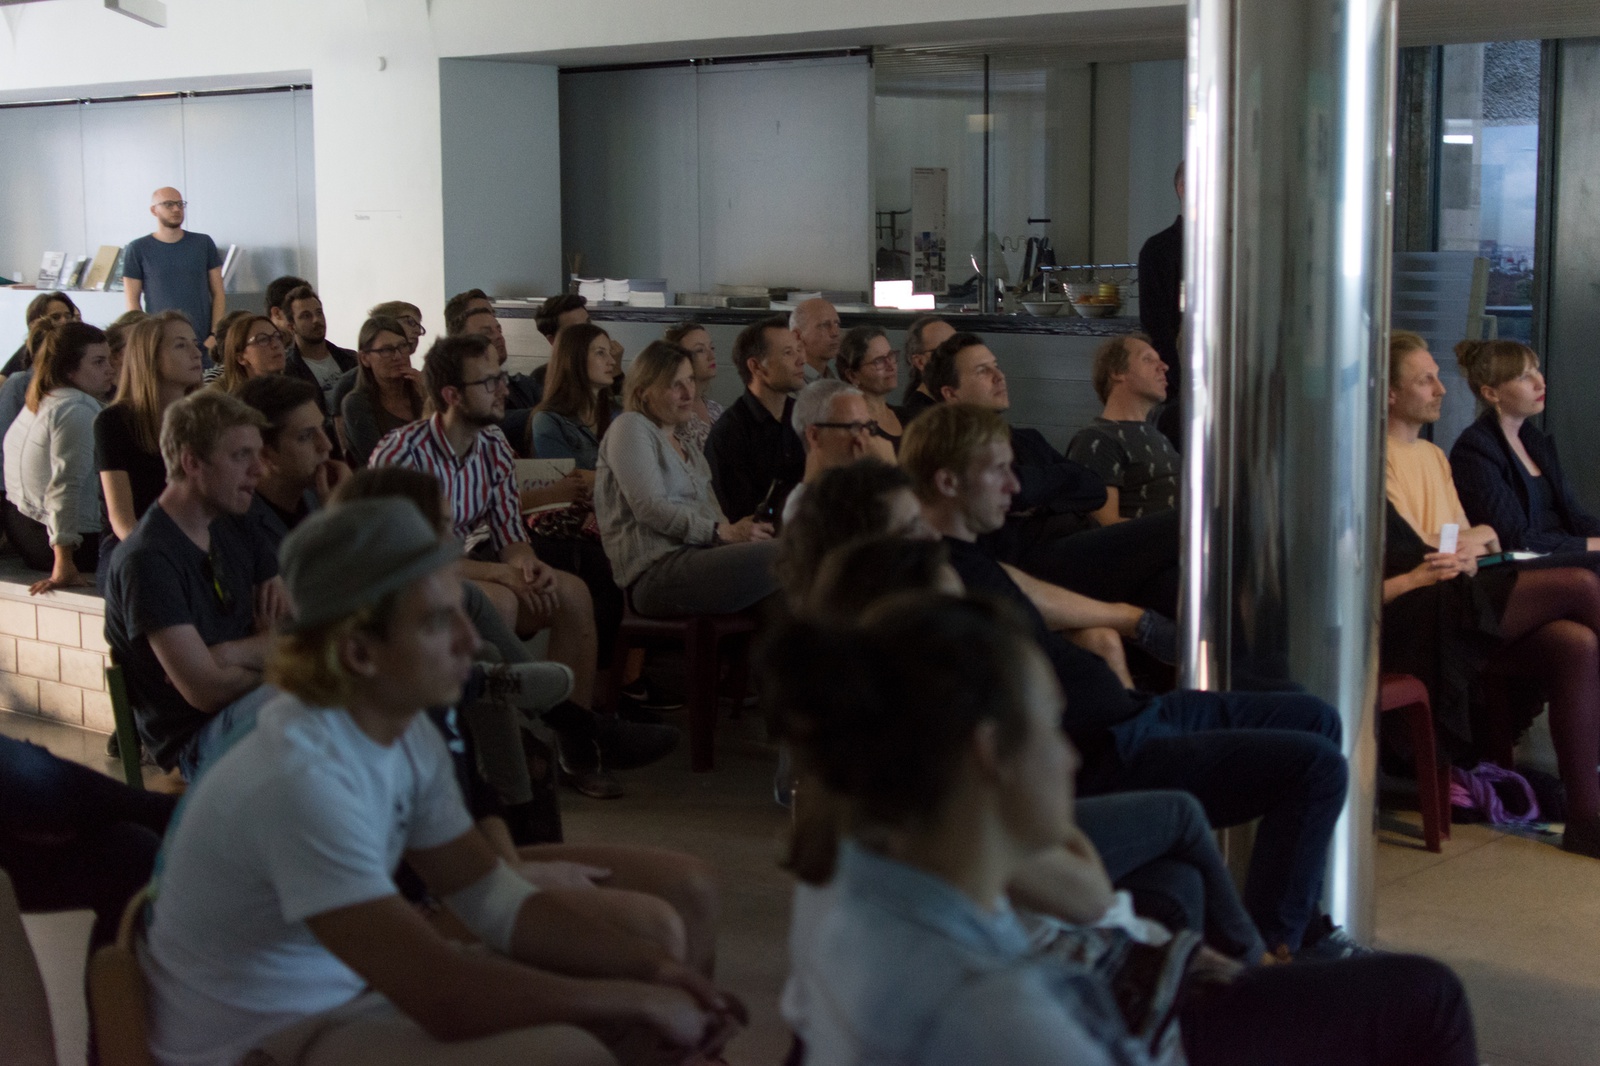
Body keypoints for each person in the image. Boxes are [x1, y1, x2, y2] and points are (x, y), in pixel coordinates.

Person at [141, 497, 745, 1066]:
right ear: (359, 652)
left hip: (340, 996)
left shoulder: (403, 731)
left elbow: (490, 898)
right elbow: (440, 994)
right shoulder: (297, 780)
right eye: (436, 621)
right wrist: (630, 998)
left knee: (616, 1012)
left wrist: (658, 972)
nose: (471, 640)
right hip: (254, 1043)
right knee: (575, 1045)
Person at [768, 593, 1478, 1066]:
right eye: (1051, 728)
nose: (1070, 755)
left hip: (1133, 992)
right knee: (1428, 996)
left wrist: (1165, 964)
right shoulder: (993, 1014)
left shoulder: (860, 866)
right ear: (990, 753)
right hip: (1148, 1027)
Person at [902, 403, 1353, 959]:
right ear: (947, 482)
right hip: (1110, 752)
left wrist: (1123, 623)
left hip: (1136, 713)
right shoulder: (933, 576)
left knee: (1316, 717)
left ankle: (1294, 925)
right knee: (1317, 767)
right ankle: (1277, 949)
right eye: (998, 471)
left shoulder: (974, 558)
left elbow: (1038, 594)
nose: (1015, 487)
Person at [1383, 331, 1600, 856]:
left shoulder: (1433, 455)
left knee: (1576, 643)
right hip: (1420, 605)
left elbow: (1476, 533)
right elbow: (1411, 549)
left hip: (1459, 586)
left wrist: (1464, 546)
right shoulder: (1376, 458)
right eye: (1426, 380)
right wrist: (1461, 548)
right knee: (1580, 582)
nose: (1441, 389)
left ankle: (1586, 819)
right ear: (1389, 395)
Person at [923, 332, 1181, 616]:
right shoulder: (956, 451)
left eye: (996, 366)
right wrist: (1051, 485)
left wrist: (1039, 496)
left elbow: (1092, 487)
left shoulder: (1027, 439)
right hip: (1040, 562)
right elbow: (1021, 495)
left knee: (1180, 587)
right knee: (1188, 525)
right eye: (983, 371)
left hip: (1082, 542)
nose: (999, 376)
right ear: (951, 393)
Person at [103, 389, 289, 779]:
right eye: (241, 456)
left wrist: (227, 653)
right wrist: (279, 662)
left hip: (252, 710)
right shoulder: (148, 559)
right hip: (197, 743)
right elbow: (206, 691)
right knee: (320, 700)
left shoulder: (235, 523)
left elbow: (296, 631)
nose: (259, 470)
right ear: (192, 463)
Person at [595, 340, 779, 618]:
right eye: (675, 384)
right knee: (793, 555)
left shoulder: (689, 449)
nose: (688, 393)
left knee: (797, 584)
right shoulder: (630, 426)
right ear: (643, 392)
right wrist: (722, 532)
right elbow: (649, 507)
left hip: (701, 558)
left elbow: (715, 516)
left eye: (690, 380)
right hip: (656, 572)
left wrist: (742, 533)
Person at [1448, 338, 1600, 553]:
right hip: (1526, 560)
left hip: (1562, 551)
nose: (1540, 383)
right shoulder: (1474, 449)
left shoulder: (1534, 440)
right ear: (1491, 394)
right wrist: (1590, 546)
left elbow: (1576, 517)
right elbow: (1514, 539)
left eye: (1536, 371)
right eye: (1524, 377)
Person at [3, 322, 117, 592]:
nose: (110, 369)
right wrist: (64, 562)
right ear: (69, 369)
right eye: (98, 362)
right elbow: (64, 486)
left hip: (26, 530)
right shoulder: (77, 410)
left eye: (109, 360)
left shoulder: (45, 397)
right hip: (60, 544)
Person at [95, 310, 204, 583]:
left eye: (195, 343)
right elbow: (122, 519)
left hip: (192, 537)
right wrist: (166, 555)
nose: (196, 353)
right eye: (180, 345)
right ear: (150, 357)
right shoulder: (114, 421)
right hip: (132, 544)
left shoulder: (205, 418)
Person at [1067, 334, 1181, 524]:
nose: (1164, 366)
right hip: (1153, 541)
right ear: (1117, 372)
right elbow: (1104, 525)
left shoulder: (1158, 436)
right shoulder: (1097, 439)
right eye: (1148, 359)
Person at [704, 316, 807, 523]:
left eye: (798, 350)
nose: (801, 360)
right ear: (756, 367)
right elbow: (741, 517)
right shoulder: (729, 433)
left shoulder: (805, 416)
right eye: (788, 353)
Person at [238, 374, 350, 547]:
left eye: (322, 428)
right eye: (306, 436)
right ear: (265, 456)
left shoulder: (319, 494)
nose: (326, 445)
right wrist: (336, 520)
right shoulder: (241, 530)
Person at [123, 187, 226, 352]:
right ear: (154, 210)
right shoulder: (137, 248)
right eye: (169, 204)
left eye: (180, 204)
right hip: (159, 343)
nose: (176, 209)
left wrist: (214, 335)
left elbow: (218, 293)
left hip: (202, 341)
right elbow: (132, 301)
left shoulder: (203, 243)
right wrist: (146, 339)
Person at [781, 380, 894, 525]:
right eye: (855, 427)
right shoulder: (805, 510)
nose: (866, 439)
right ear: (814, 436)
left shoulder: (850, 493)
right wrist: (888, 471)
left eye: (868, 426)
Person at [1138, 162, 1184, 449]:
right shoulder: (1159, 250)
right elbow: (1156, 327)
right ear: (1183, 189)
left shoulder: (1232, 247)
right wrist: (1175, 385)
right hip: (1179, 389)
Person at [341, 314, 426, 467]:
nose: (398, 356)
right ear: (365, 358)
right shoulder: (356, 404)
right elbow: (383, 463)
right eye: (386, 350)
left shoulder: (421, 391)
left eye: (402, 346)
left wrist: (430, 399)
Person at [280, 284, 358, 415]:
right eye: (306, 316)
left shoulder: (351, 359)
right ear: (291, 326)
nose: (316, 320)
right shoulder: (288, 371)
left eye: (319, 312)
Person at [835, 325, 905, 448]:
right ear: (852, 375)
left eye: (891, 356)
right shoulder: (851, 426)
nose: (891, 366)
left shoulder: (906, 416)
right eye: (879, 361)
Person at [663, 321, 723, 454]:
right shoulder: (673, 414)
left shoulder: (716, 409)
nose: (711, 356)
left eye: (712, 348)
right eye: (700, 350)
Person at [1, 290, 79, 375]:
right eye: (55, 317)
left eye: (68, 316)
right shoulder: (28, 351)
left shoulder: (82, 347)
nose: (64, 321)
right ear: (35, 324)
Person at [211, 313, 287, 394]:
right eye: (263, 339)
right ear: (241, 358)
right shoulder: (220, 395)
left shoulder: (293, 388)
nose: (275, 344)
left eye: (277, 336)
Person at [896, 314, 954, 420]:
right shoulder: (921, 417)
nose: (956, 356)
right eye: (944, 351)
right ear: (920, 362)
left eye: (959, 348)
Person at [790, 297, 840, 383]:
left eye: (837, 324)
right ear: (798, 336)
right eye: (824, 325)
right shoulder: (789, 383)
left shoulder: (835, 376)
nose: (835, 333)